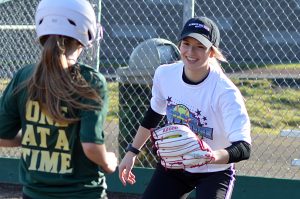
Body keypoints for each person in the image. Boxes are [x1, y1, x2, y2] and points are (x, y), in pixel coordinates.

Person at [118, 16, 251, 199]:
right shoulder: (165, 74)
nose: (190, 51)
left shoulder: (225, 92)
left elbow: (243, 148)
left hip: (215, 170)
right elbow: (155, 113)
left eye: (199, 46)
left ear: (212, 52)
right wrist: (132, 152)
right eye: (186, 43)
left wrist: (210, 156)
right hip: (176, 164)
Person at [0, 0, 117, 198]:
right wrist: (108, 162)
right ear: (85, 34)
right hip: (81, 193)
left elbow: (2, 136)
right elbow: (91, 147)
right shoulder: (91, 81)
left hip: (34, 193)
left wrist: (32, 139)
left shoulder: (24, 76)